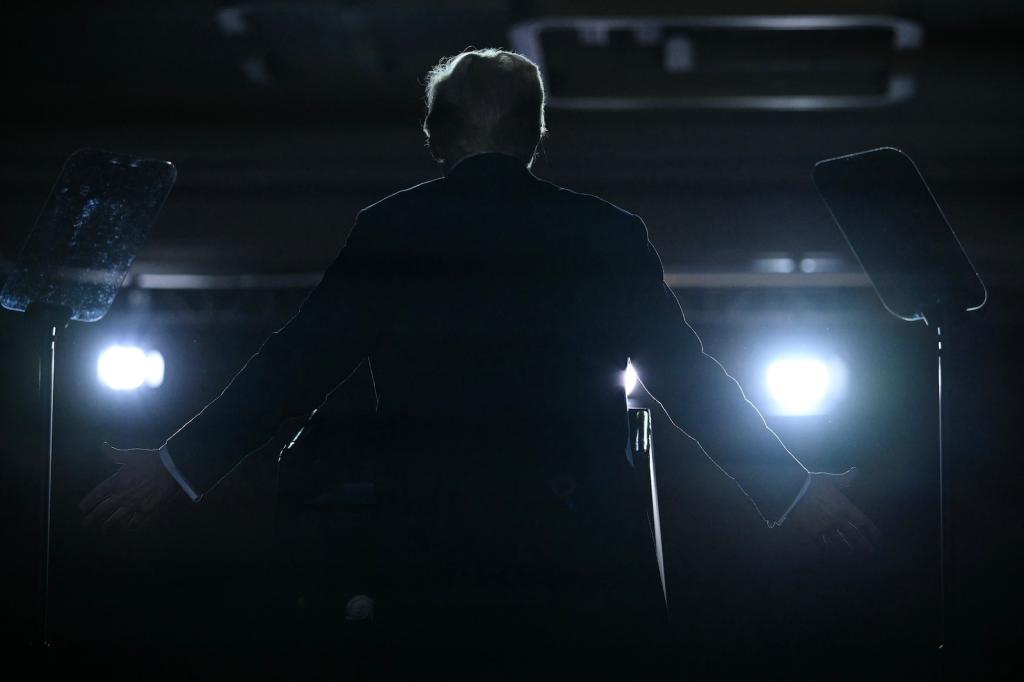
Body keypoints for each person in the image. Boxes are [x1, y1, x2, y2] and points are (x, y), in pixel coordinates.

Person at [80, 48, 877, 668]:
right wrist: (792, 487)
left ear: (436, 137)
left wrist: (174, 465)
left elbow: (292, 368)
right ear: (535, 136)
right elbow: (688, 376)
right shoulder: (605, 233)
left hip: (430, 559)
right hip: (580, 564)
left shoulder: (392, 230)